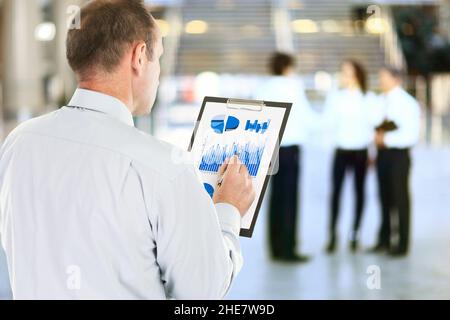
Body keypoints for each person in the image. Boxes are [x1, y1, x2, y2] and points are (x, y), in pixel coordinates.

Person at [0, 0, 255, 300]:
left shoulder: (19, 143)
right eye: (157, 57)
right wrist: (228, 211)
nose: (158, 74)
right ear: (139, 56)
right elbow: (202, 292)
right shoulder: (164, 167)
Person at [254, 52, 315, 263]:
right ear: (288, 67)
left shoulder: (263, 88)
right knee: (290, 199)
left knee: (275, 197)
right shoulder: (293, 86)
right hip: (290, 149)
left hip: (271, 147)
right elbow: (307, 116)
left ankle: (275, 247)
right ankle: (289, 248)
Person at [323, 59, 379, 253]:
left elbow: (374, 126)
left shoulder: (369, 98)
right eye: (343, 72)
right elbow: (328, 122)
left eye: (348, 72)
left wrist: (373, 151)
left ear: (357, 74)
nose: (345, 76)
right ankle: (332, 235)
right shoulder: (336, 97)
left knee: (359, 193)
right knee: (336, 194)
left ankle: (355, 234)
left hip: (361, 152)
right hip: (341, 151)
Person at [371, 66, 421, 256]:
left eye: (383, 77)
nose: (381, 81)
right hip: (382, 155)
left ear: (395, 79)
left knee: (400, 199)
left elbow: (411, 135)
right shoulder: (380, 101)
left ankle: (402, 244)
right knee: (383, 197)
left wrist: (386, 139)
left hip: (398, 155)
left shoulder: (408, 103)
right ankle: (384, 239)